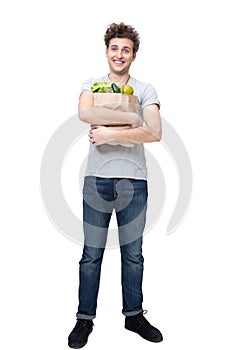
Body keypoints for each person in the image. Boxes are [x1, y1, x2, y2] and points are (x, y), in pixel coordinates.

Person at [68, 22, 163, 348]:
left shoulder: (146, 90)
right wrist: (131, 120)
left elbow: (154, 132)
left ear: (133, 54)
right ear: (106, 51)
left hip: (134, 182)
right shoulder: (91, 83)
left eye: (126, 49)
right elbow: (84, 113)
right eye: (114, 48)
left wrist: (112, 132)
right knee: (90, 255)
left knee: (133, 255)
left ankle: (133, 315)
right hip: (97, 181)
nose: (119, 54)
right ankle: (84, 319)